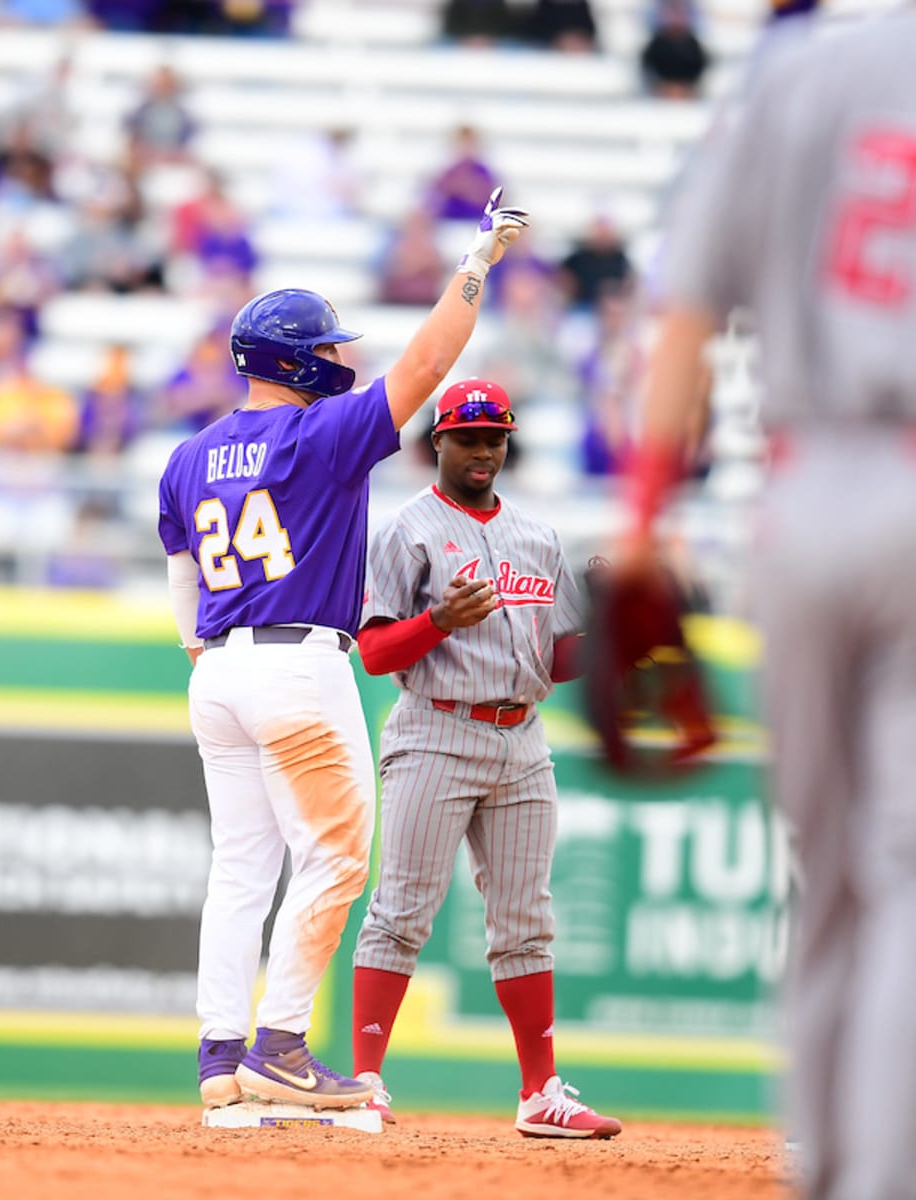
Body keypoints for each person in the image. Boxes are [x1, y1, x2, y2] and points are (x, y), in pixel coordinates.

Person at [616, 10, 916, 1198]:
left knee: (831, 873)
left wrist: (641, 529)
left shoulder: (800, 70)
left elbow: (686, 316)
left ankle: (831, 1172)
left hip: (798, 499)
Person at [157, 189, 529, 1111]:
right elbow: (431, 361)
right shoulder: (321, 433)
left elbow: (180, 572)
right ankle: (281, 1046)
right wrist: (476, 266)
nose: (338, 359)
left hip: (222, 669)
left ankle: (218, 1058)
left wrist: (199, 647)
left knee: (241, 866)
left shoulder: (190, 453)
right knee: (334, 861)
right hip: (296, 663)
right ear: (293, 359)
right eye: (326, 349)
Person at [348, 376, 622, 1137]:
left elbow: (554, 659)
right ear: (437, 441)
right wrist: (436, 621)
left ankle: (540, 1093)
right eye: (467, 436)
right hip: (436, 728)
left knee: (527, 919)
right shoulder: (406, 530)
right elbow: (372, 652)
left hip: (522, 738)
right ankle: (365, 1082)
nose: (482, 449)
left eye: (494, 436)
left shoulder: (539, 536)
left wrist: (606, 638)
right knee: (401, 911)